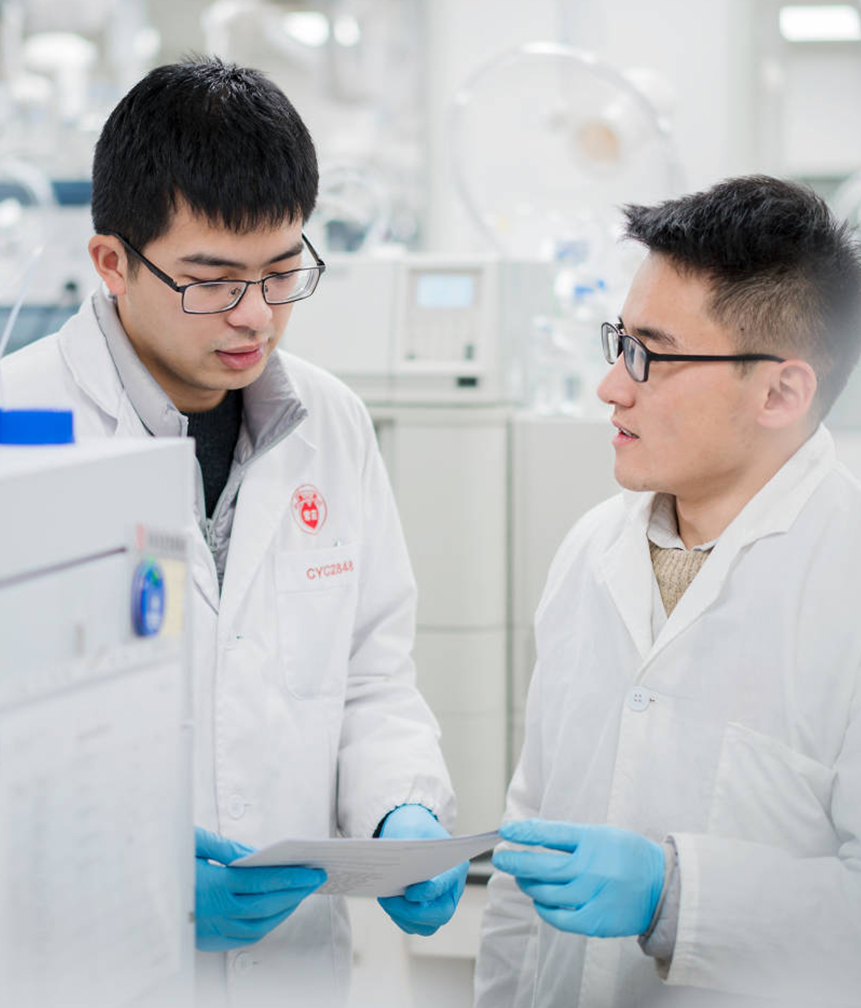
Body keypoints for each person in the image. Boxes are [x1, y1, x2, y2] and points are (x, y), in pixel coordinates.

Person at [1, 58, 467, 1007]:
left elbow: (369, 675)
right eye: (212, 281)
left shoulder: (331, 423)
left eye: (283, 272)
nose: (256, 316)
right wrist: (129, 888)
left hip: (290, 970)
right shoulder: (18, 429)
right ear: (112, 262)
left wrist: (400, 808)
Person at [474, 176, 861, 1007]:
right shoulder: (590, 550)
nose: (612, 386)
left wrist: (676, 895)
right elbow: (527, 843)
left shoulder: (846, 580)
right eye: (619, 342)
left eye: (651, 354)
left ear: (780, 392)